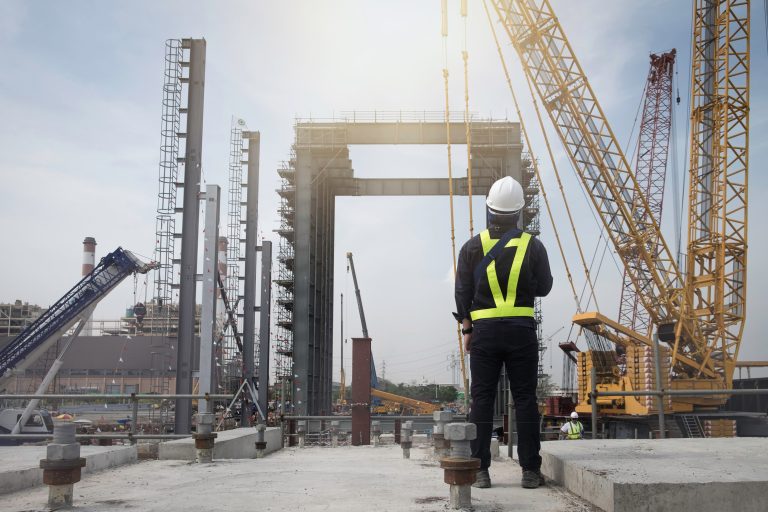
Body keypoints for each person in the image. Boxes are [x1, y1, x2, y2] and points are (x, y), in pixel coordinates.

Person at [454, 176, 553, 490]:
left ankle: (481, 470)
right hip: (520, 332)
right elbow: (546, 287)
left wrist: (467, 328)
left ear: (490, 209)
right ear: (519, 211)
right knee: (525, 399)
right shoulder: (533, 245)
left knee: (480, 400)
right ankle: (530, 472)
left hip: (483, 333)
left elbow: (461, 293)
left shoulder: (472, 247)